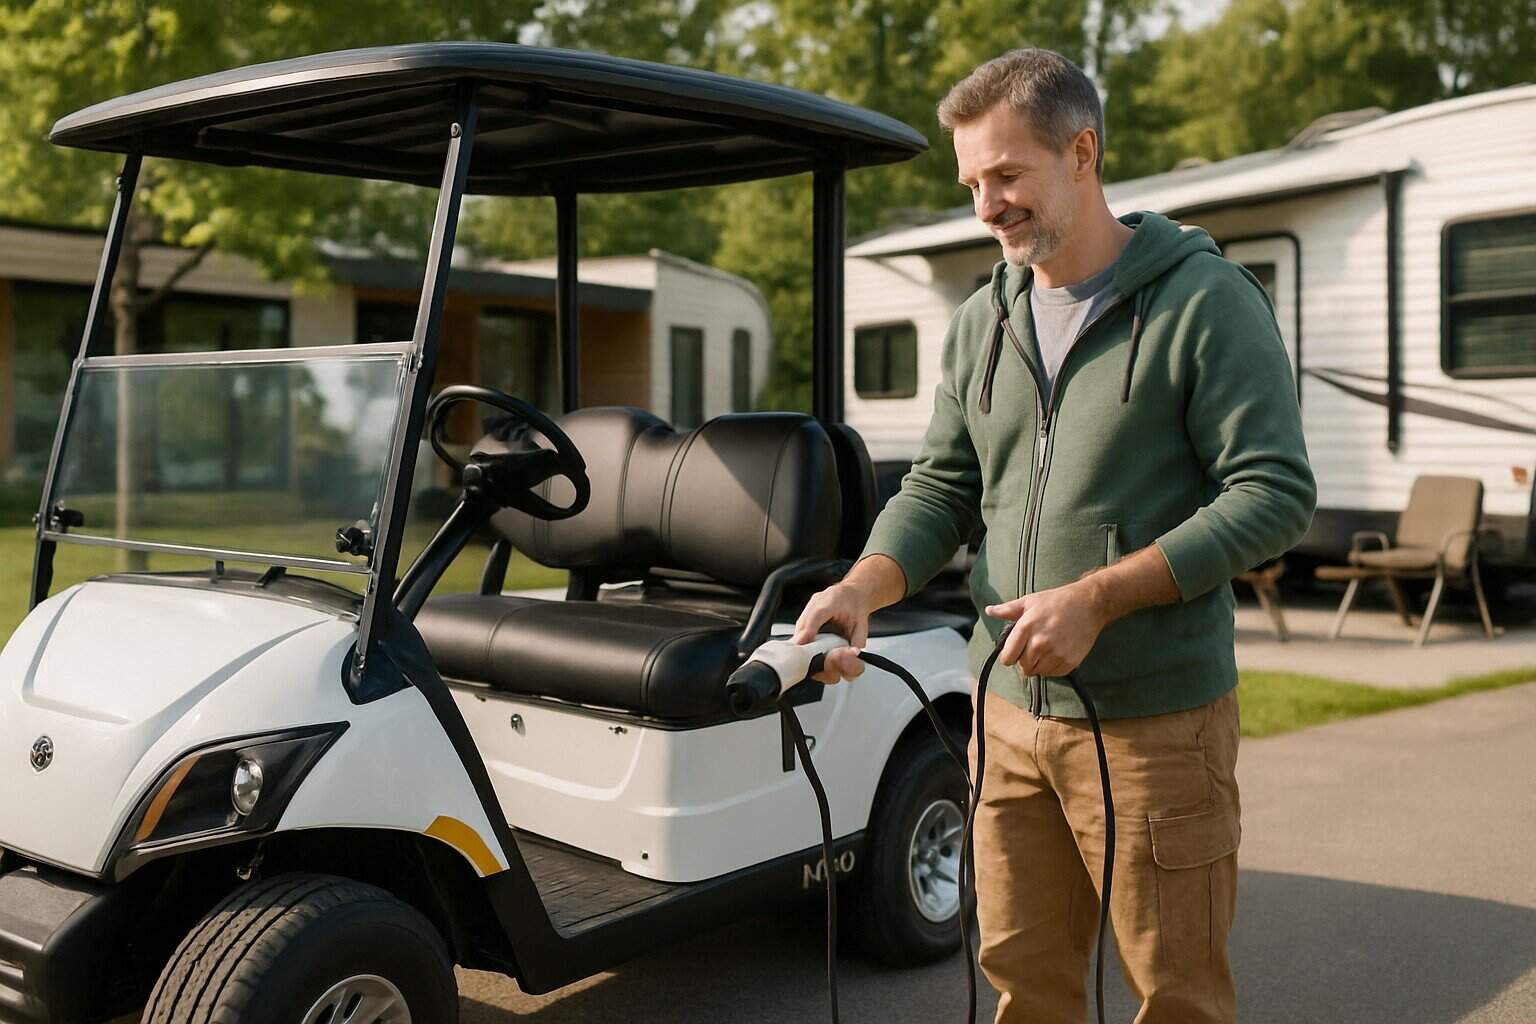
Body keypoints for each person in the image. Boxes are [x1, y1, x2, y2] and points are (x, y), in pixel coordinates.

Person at [794, 48, 1315, 1024]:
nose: (986, 206)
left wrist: (1100, 597)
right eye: (971, 184)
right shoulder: (981, 321)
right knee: (1024, 983)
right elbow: (944, 486)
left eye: (1006, 175)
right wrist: (863, 584)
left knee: (1178, 995)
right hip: (1004, 717)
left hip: (1157, 723)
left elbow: (1274, 492)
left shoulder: (1206, 302)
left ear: (1083, 153)